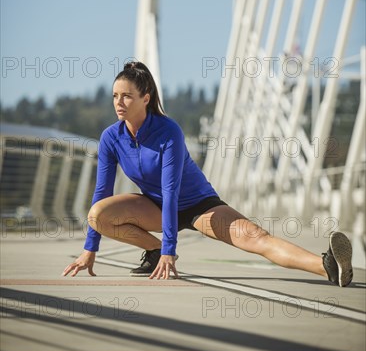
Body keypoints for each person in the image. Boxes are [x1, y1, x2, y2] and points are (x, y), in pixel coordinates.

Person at [62, 61, 353, 286]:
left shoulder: (168, 132)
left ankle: (328, 265)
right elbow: (102, 191)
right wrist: (90, 249)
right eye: (115, 96)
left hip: (198, 206)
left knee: (256, 238)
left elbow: (172, 189)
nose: (118, 103)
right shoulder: (111, 137)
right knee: (98, 213)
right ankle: (152, 251)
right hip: (154, 205)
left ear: (145, 98)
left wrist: (170, 251)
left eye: (127, 96)